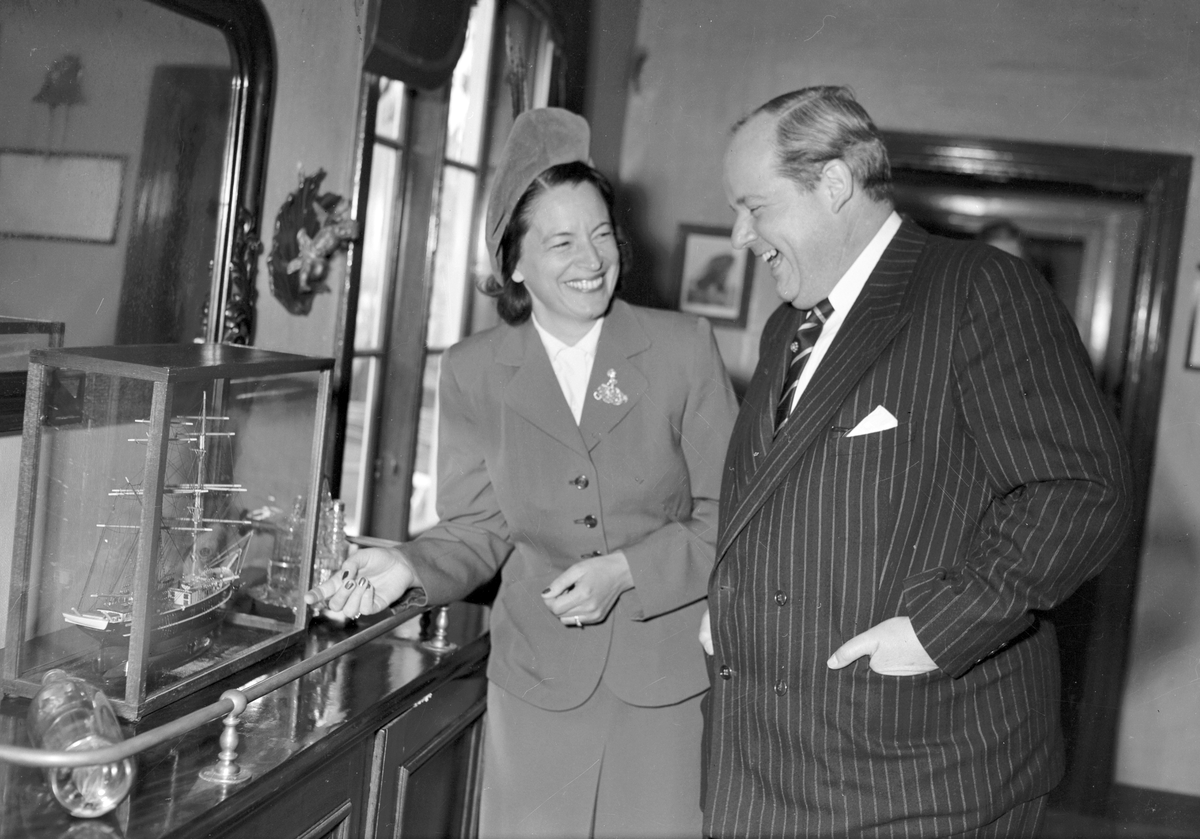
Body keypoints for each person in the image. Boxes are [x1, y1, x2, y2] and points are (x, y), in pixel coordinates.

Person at [699, 86, 1132, 838]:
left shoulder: (978, 289)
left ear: (835, 183)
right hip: (770, 767)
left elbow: (1081, 489)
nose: (740, 235)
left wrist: (937, 630)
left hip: (920, 779)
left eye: (755, 207)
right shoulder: (786, 329)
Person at [307, 107, 738, 839]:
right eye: (561, 241)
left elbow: (732, 510)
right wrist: (406, 564)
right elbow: (480, 526)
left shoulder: (681, 349)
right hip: (537, 681)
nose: (592, 259)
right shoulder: (474, 370)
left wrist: (626, 571)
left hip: (663, 681)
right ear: (513, 263)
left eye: (602, 234)